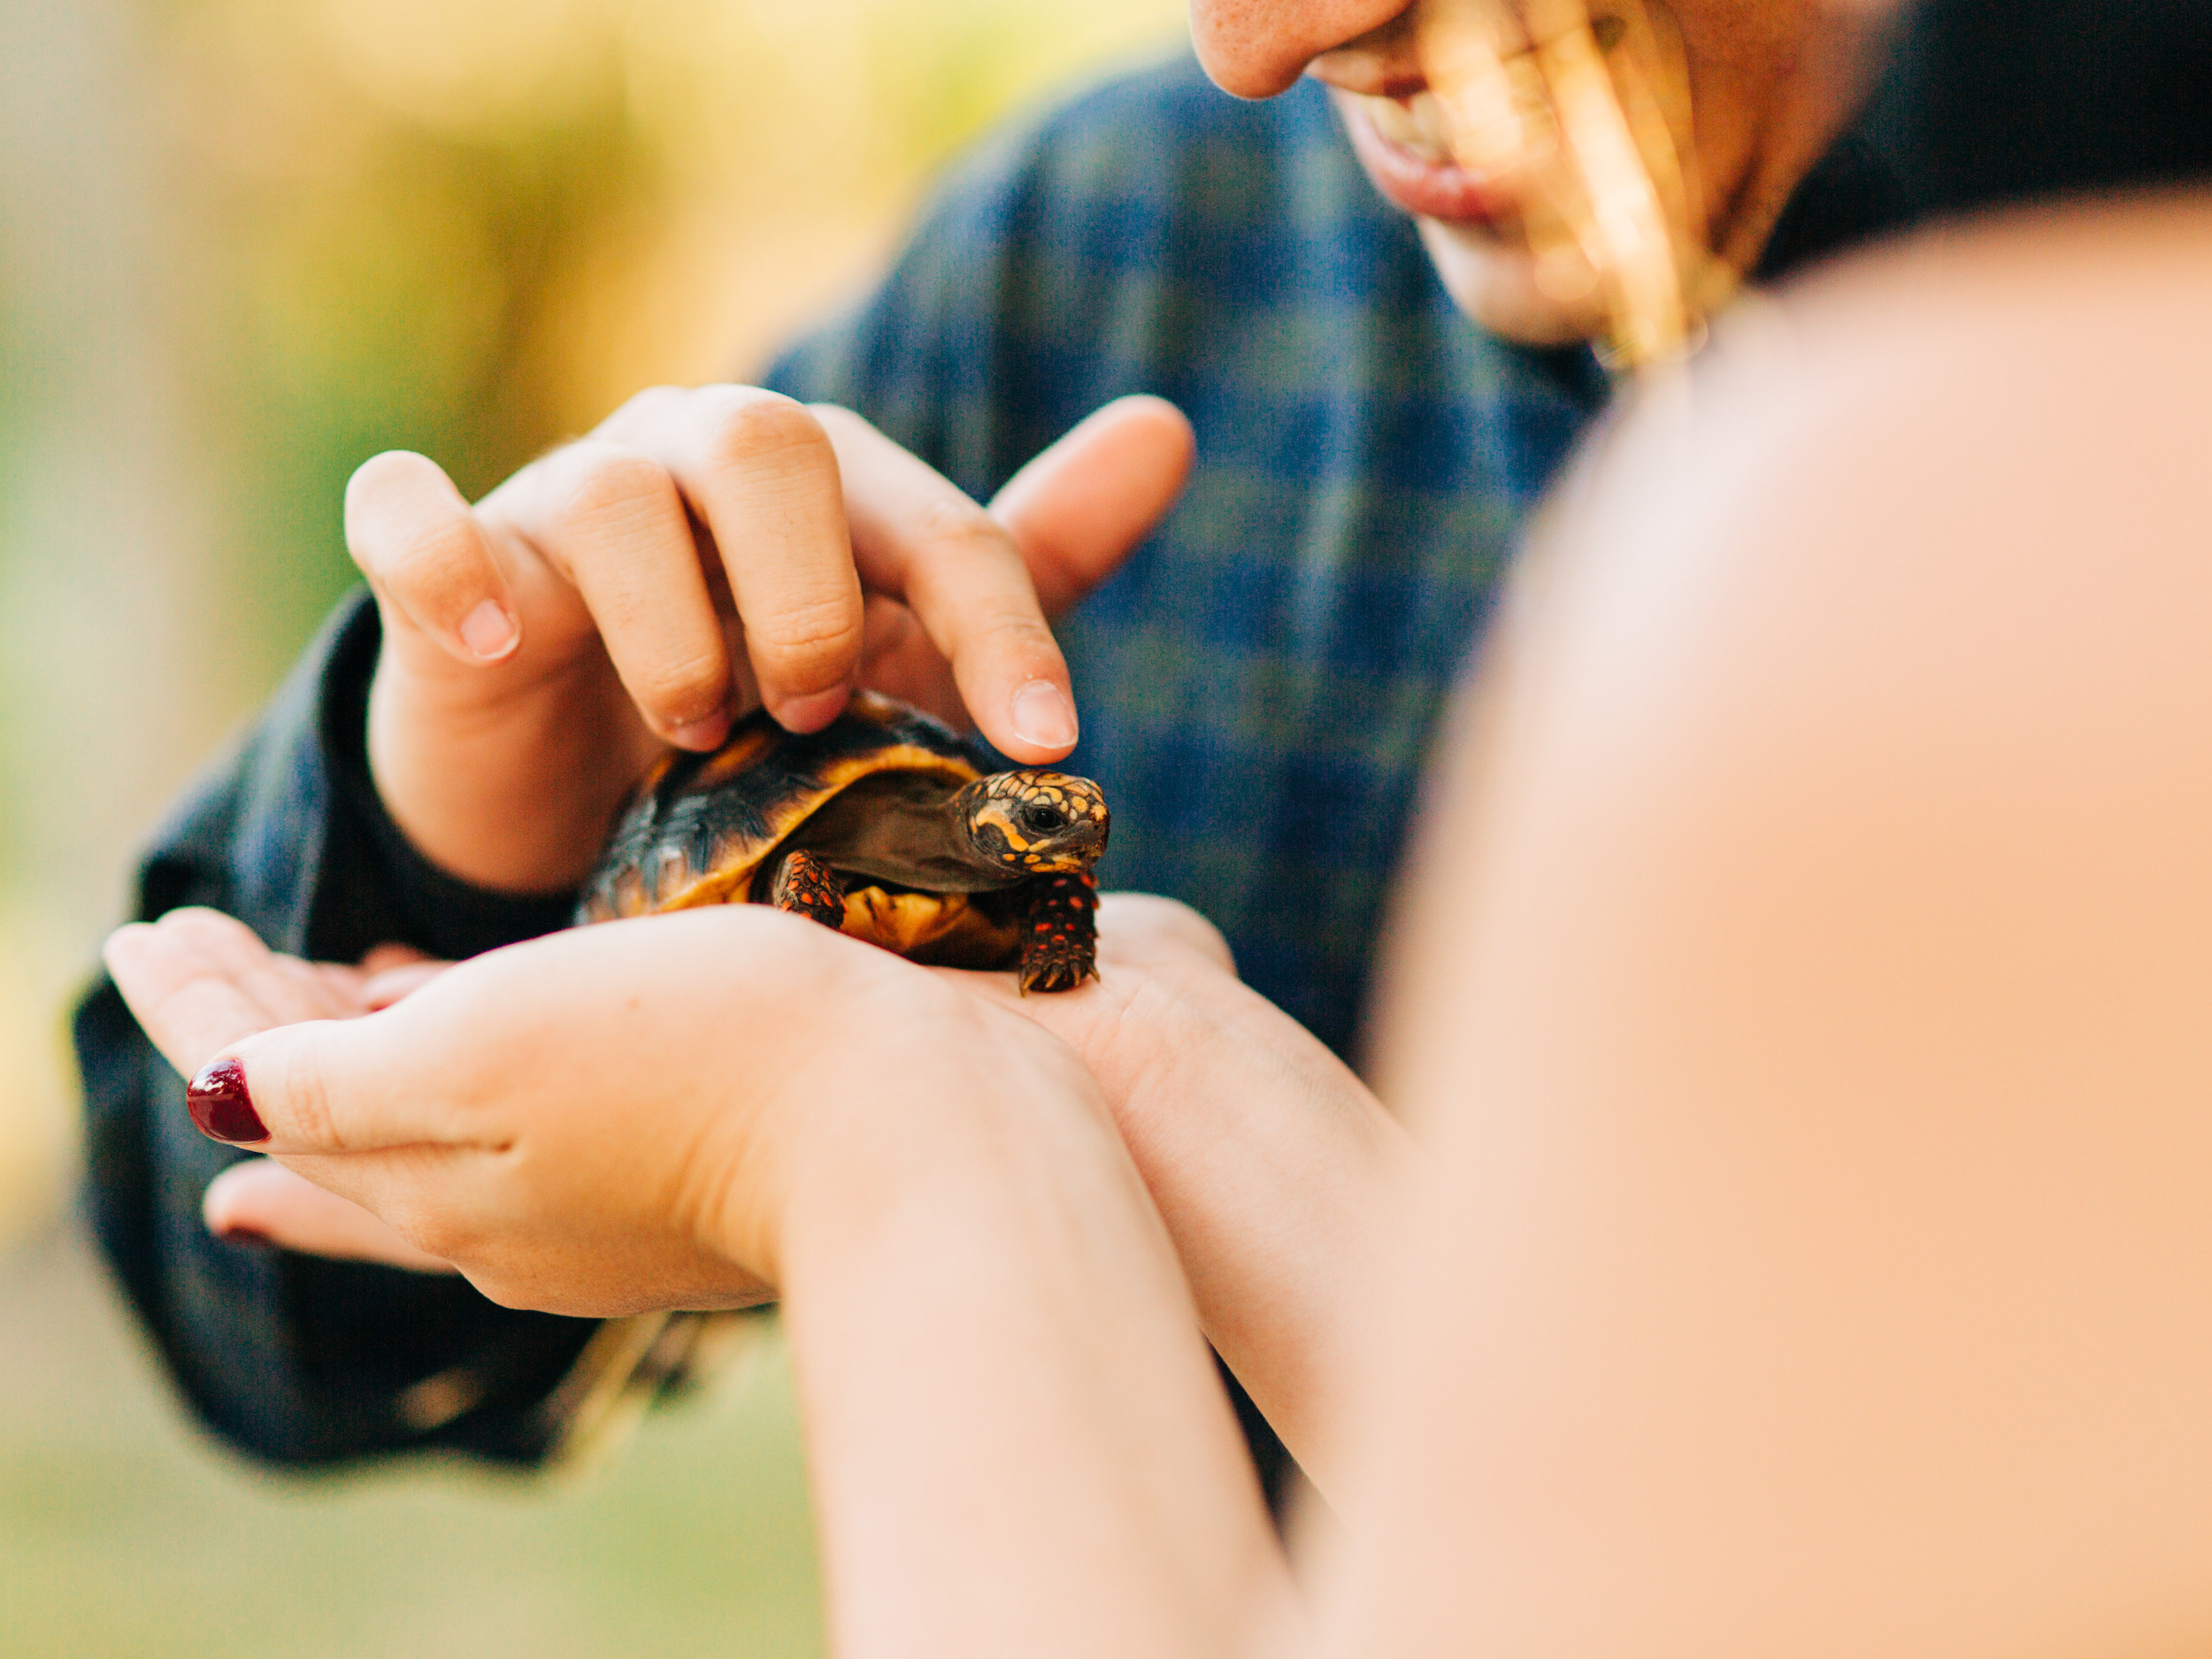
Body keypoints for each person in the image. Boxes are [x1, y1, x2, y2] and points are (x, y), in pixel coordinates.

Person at [100, 40, 2212, 1641]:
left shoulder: (1957, 527)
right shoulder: (1130, 247)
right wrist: (475, 841)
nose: (1263, 32)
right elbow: (218, 1264)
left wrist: (877, 1130)